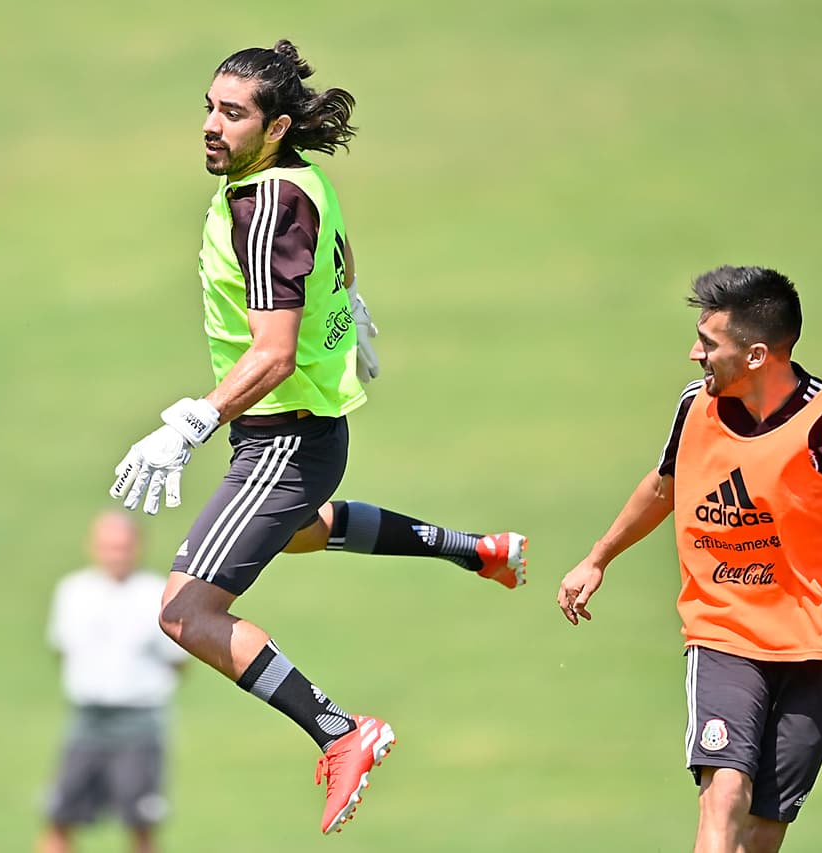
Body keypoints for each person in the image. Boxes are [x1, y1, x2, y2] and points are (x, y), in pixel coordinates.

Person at [106, 40, 527, 836]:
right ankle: (475, 549)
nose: (211, 125)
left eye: (232, 114)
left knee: (185, 612)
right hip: (309, 434)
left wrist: (190, 424)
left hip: (283, 440)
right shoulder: (299, 178)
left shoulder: (260, 204)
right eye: (209, 106)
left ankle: (341, 732)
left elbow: (273, 352)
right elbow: (333, 251)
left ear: (277, 125)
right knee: (298, 532)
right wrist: (351, 306)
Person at [556, 266, 822, 853]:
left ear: (757, 355)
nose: (694, 354)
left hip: (815, 646)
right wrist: (597, 558)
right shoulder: (694, 408)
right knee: (724, 792)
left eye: (709, 344)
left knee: (763, 831)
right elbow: (664, 486)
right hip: (722, 631)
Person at [38, 511, 187, 853]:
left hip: (139, 720)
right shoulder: (73, 591)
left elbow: (177, 661)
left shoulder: (157, 595)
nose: (115, 555)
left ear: (137, 547)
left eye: (122, 547)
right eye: (108, 547)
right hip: (88, 718)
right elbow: (62, 648)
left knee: (141, 822)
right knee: (60, 815)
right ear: (93, 547)